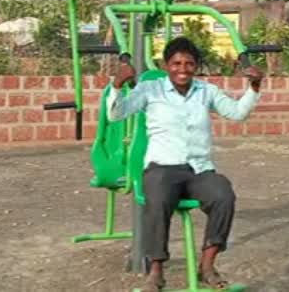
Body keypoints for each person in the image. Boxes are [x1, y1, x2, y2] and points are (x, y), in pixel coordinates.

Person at [108, 36, 263, 292]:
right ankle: (156, 272)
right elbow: (116, 115)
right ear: (166, 65)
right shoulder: (151, 90)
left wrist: (254, 86)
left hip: (199, 169)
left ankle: (207, 266)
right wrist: (117, 84)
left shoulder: (206, 91)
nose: (183, 69)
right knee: (157, 199)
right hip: (163, 168)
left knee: (223, 194)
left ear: (196, 65)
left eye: (189, 64)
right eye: (176, 63)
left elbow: (237, 113)